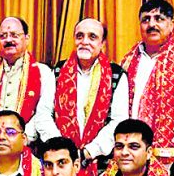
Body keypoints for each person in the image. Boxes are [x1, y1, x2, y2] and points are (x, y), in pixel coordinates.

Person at [121, 0, 174, 163]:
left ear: (171, 24)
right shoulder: (128, 61)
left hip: (172, 159)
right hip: (132, 157)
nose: (152, 24)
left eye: (159, 19)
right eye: (146, 19)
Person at [0, 17, 59, 143]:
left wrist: (20, 140)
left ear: (27, 39)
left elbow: (42, 114)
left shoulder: (44, 73)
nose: (8, 40)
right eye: (3, 36)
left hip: (27, 145)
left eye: (14, 35)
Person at [52, 18, 128, 166]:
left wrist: (88, 152)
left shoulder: (116, 74)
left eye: (92, 37)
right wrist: (62, 149)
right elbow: (44, 114)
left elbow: (118, 121)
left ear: (102, 43)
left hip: (100, 162)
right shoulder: (58, 71)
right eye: (80, 36)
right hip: (58, 161)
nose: (85, 42)